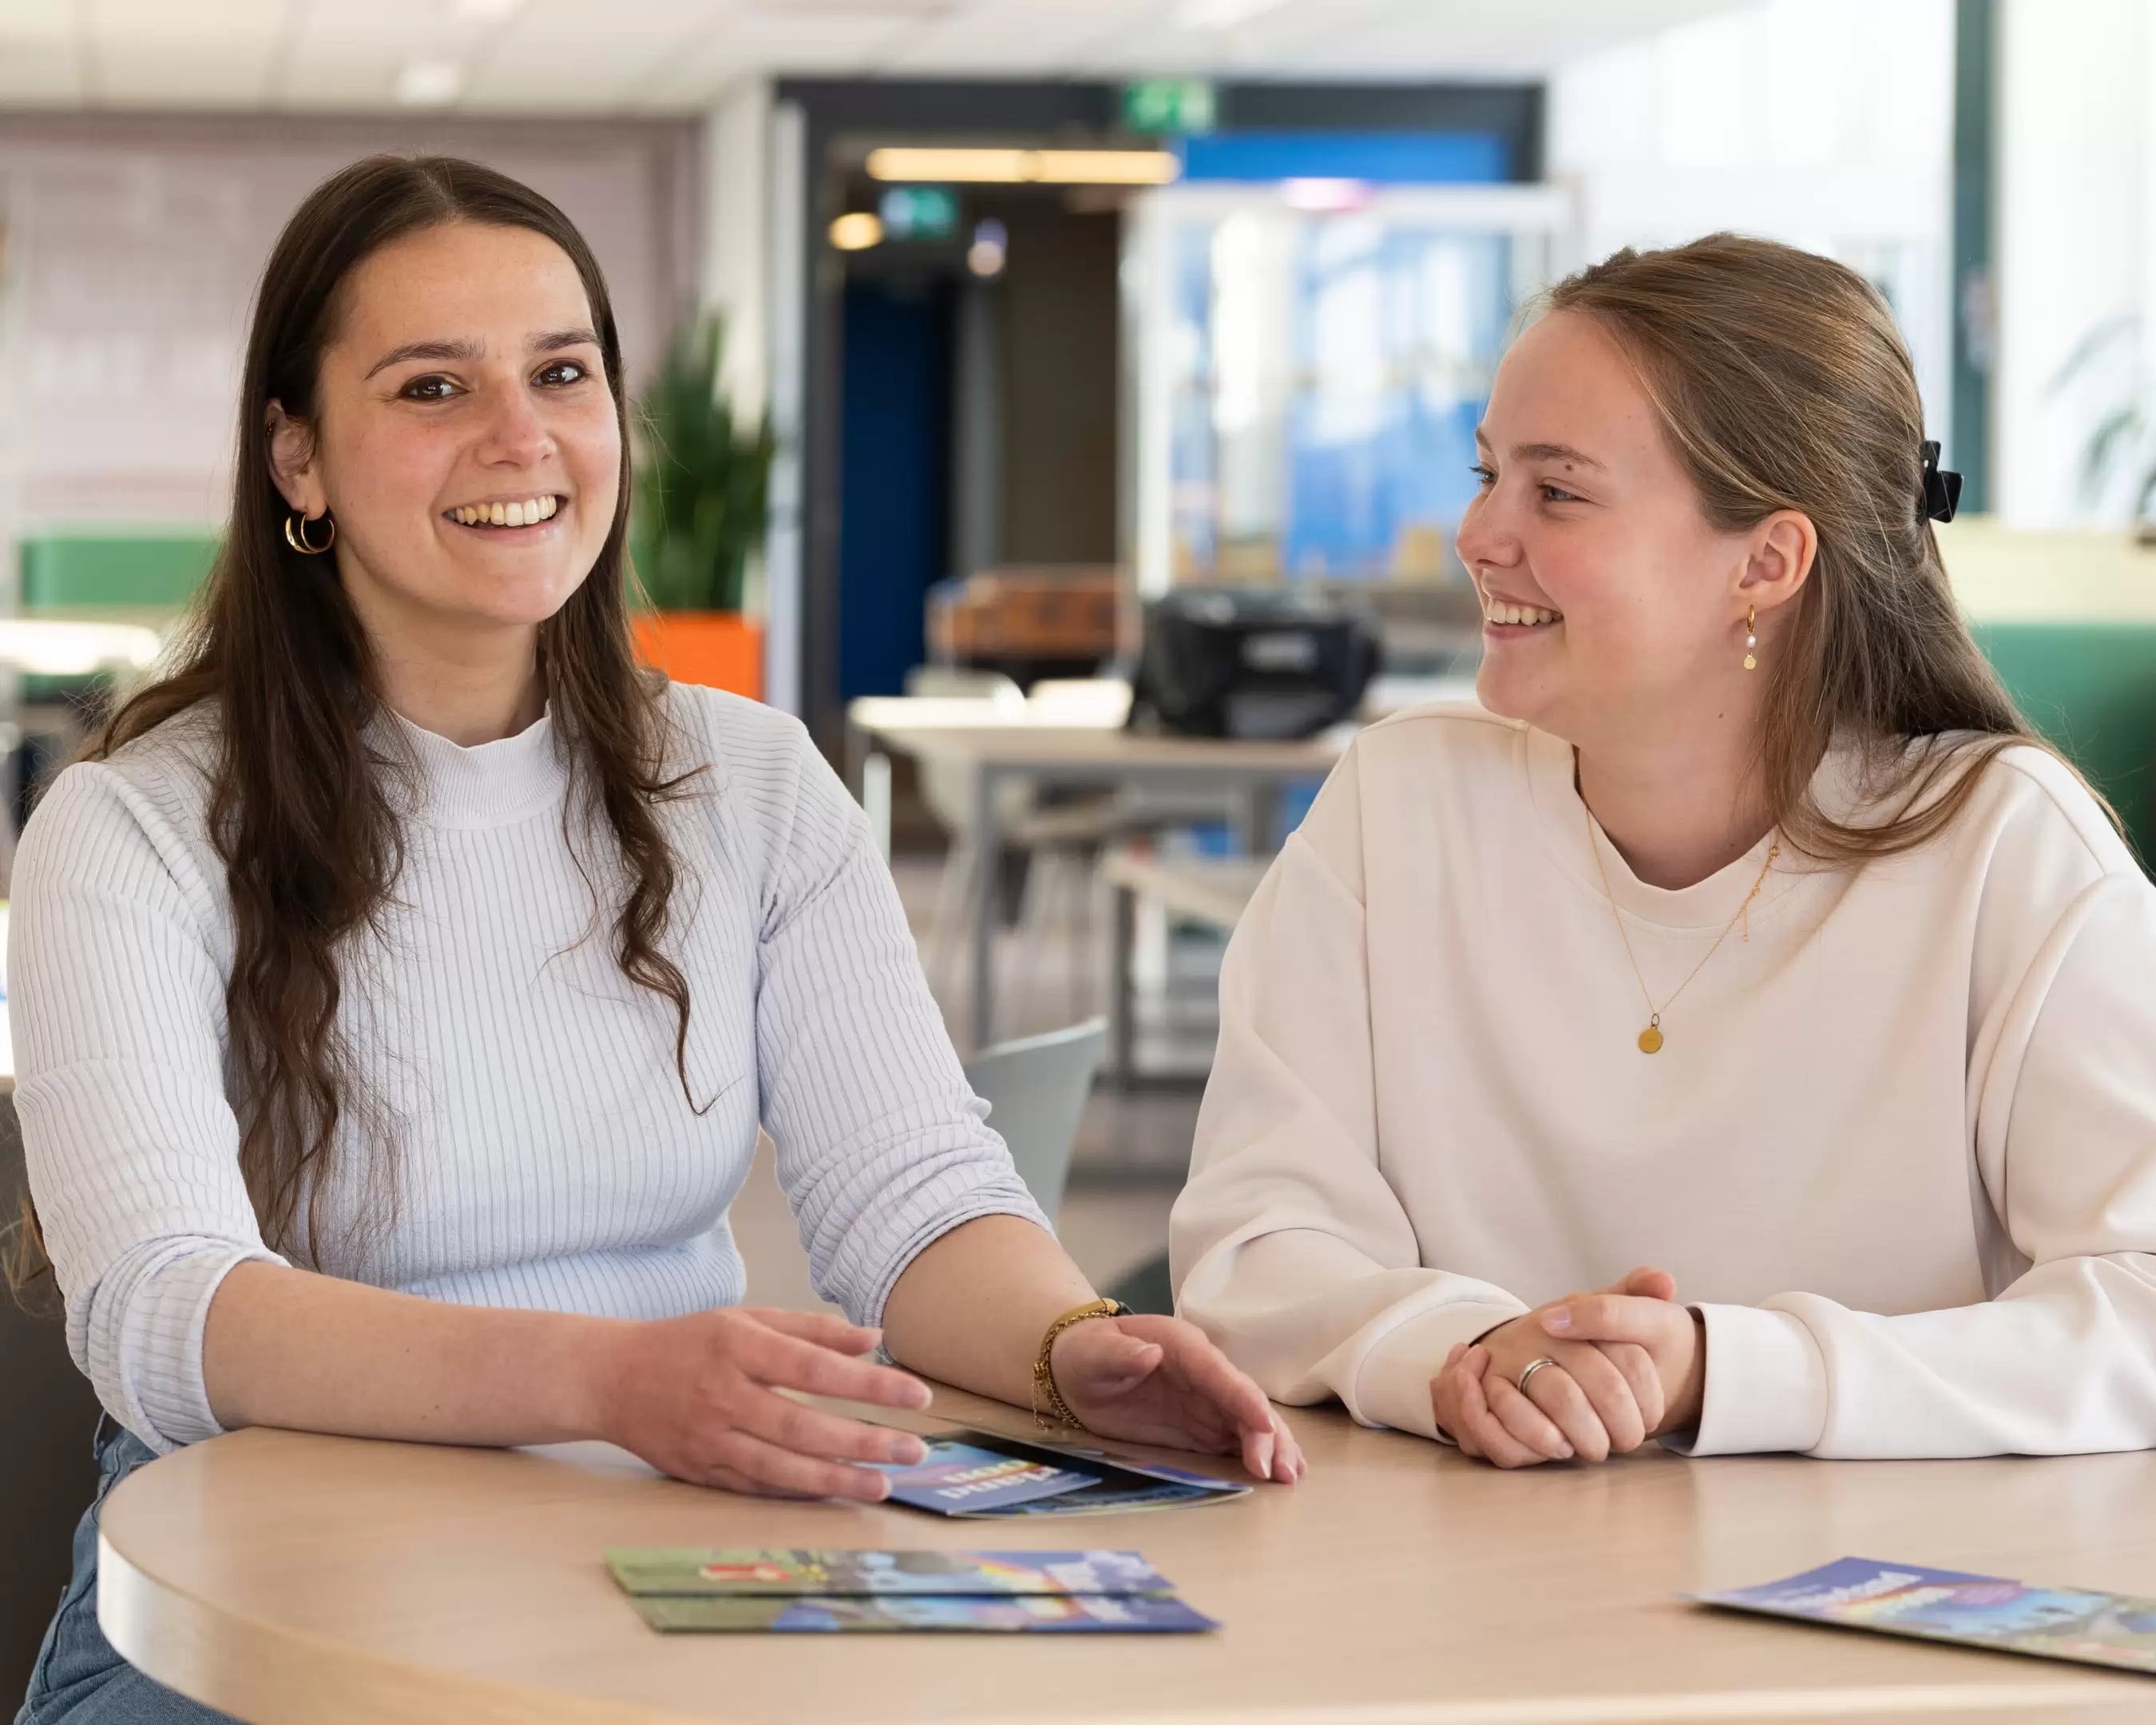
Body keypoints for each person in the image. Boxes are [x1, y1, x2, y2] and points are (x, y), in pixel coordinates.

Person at [9, 155, 1298, 1725]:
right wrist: (610, 1380)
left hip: (671, 1541)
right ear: (299, 458)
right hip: (254, 1595)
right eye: (433, 387)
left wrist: (1065, 1350)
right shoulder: (135, 826)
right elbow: (166, 1308)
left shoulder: (751, 783)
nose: (521, 438)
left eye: (563, 372)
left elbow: (911, 1197)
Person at [1171, 233, 2156, 1469]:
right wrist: (1464, 1352)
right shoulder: (1399, 802)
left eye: (1558, 491)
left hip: (1886, 1615)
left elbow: (2140, 1309)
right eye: (1487, 475)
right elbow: (1258, 1239)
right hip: (1459, 1582)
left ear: (1766, 562)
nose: (1480, 535)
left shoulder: (2003, 848)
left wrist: (1722, 1367)